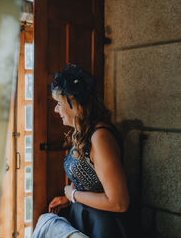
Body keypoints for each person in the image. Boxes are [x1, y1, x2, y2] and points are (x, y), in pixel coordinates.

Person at [41, 64, 136, 238]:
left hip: (104, 226)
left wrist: (74, 195)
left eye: (59, 104)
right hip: (86, 218)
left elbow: (119, 202)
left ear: (75, 103)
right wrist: (69, 200)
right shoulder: (84, 131)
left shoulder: (100, 137)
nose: (56, 110)